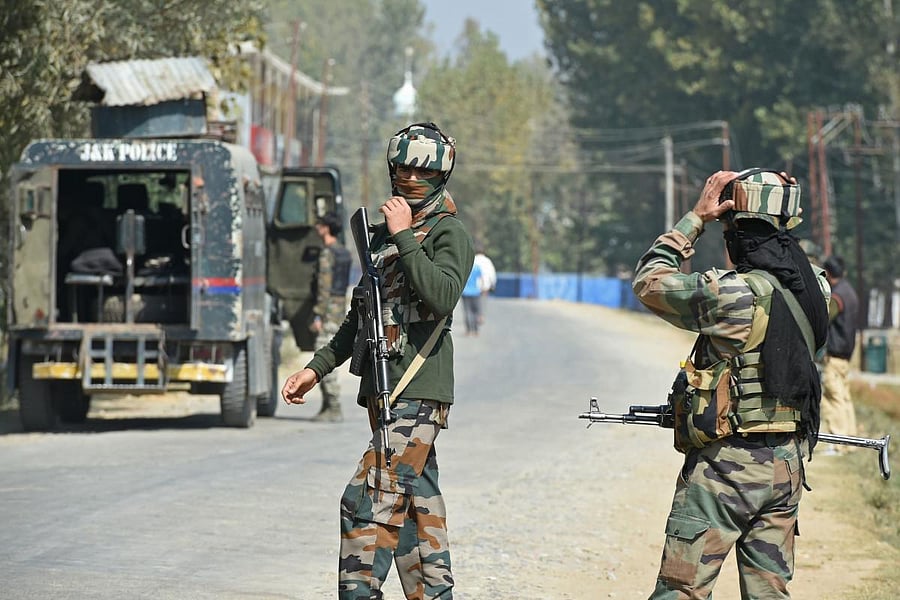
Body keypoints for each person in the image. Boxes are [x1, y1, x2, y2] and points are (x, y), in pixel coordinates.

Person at [281, 122, 473, 599]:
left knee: (368, 500)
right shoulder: (382, 237)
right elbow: (360, 319)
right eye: (402, 169)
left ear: (441, 176)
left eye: (422, 172)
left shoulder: (448, 233)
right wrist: (315, 368)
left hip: (417, 390)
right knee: (413, 510)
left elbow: (442, 295)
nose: (410, 179)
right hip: (384, 391)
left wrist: (405, 236)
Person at [632, 168, 830, 599]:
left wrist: (695, 219)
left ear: (735, 234)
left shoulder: (733, 295)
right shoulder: (816, 289)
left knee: (679, 591)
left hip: (726, 469)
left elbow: (649, 282)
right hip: (788, 467)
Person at [309, 212, 352, 422]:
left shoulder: (327, 254)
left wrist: (318, 315)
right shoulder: (343, 252)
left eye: (319, 225)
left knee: (323, 354)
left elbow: (324, 287)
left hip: (328, 312)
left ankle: (334, 406)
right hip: (339, 307)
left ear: (326, 228)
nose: (317, 229)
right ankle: (327, 406)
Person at [819, 255, 860, 452]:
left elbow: (825, 318)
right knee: (844, 398)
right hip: (846, 356)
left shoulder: (837, 296)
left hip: (834, 356)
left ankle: (837, 444)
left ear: (827, 273)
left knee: (831, 399)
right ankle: (850, 441)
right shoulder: (850, 292)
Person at [460, 260, 483, 335]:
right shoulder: (477, 267)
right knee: (475, 311)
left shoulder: (464, 267)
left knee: (467, 311)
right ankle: (476, 330)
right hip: (475, 292)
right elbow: (481, 279)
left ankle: (469, 330)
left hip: (465, 292)